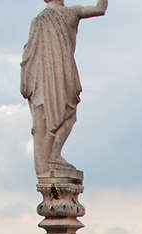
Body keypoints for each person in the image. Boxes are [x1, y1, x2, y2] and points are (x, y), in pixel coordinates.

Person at [21, 0, 109, 177]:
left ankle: (52, 157)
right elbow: (100, 8)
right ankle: (53, 155)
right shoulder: (70, 13)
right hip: (61, 74)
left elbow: (28, 53)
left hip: (43, 77)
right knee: (69, 115)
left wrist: (27, 80)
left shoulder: (38, 20)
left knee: (55, 118)